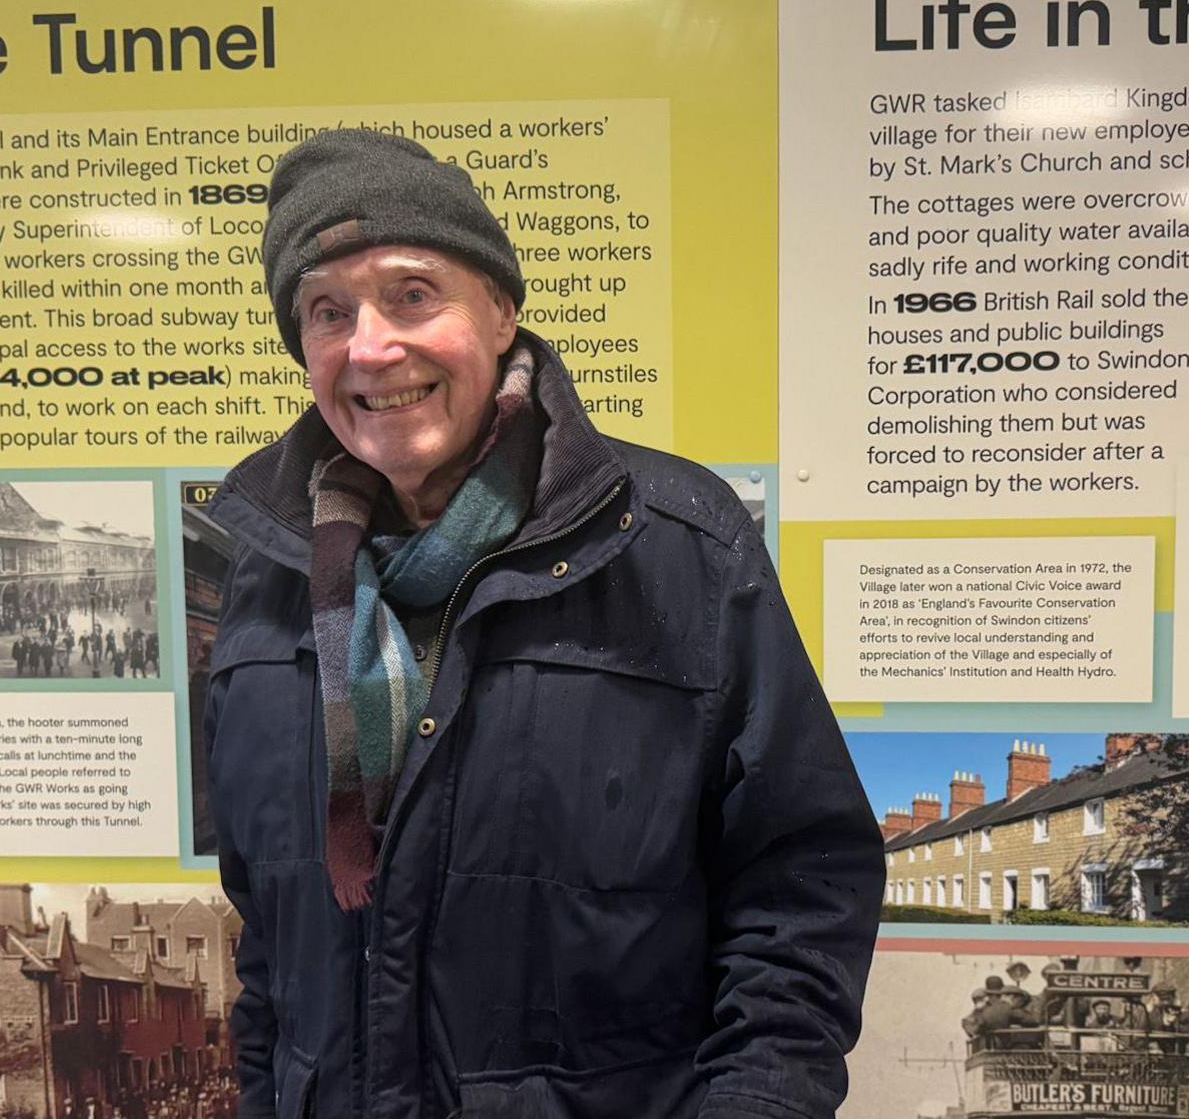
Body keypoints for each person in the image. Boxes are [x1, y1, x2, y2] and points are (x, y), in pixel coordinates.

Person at [204, 130, 882, 1119]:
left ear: (500, 311)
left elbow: (800, 891)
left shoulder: (676, 547)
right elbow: (269, 938)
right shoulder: (268, 572)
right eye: (326, 311)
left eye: (411, 293)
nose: (369, 346)